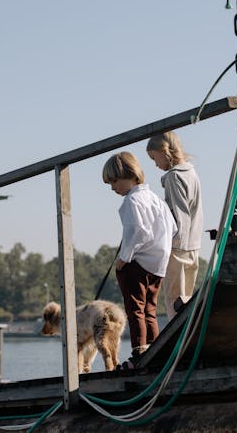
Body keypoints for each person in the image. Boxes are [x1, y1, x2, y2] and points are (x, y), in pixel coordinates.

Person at [102, 151, 177, 362]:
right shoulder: (155, 199)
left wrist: (123, 259)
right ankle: (156, 350)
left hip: (138, 263)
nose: (112, 187)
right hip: (158, 264)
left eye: (114, 181)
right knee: (150, 310)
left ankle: (139, 351)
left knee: (135, 309)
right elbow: (172, 228)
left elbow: (137, 232)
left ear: (129, 175)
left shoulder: (131, 201)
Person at [147, 131, 203, 317]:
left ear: (164, 151)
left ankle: (176, 341)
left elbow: (180, 216)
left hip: (178, 249)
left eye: (155, 159)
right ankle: (187, 338)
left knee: (173, 301)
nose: (156, 165)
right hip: (193, 246)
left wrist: (170, 245)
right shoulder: (191, 172)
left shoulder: (174, 177)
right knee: (185, 300)